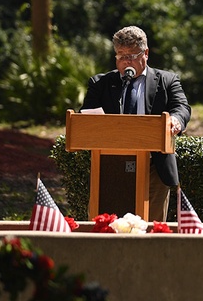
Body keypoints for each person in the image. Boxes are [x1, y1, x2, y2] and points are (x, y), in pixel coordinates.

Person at [82, 25, 191, 221]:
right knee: (106, 226)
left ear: (146, 53)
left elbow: (182, 107)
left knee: (152, 228)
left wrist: (175, 120)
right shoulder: (100, 84)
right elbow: (88, 118)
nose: (126, 61)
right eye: (121, 56)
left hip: (154, 166)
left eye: (132, 55)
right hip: (110, 165)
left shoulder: (167, 80)